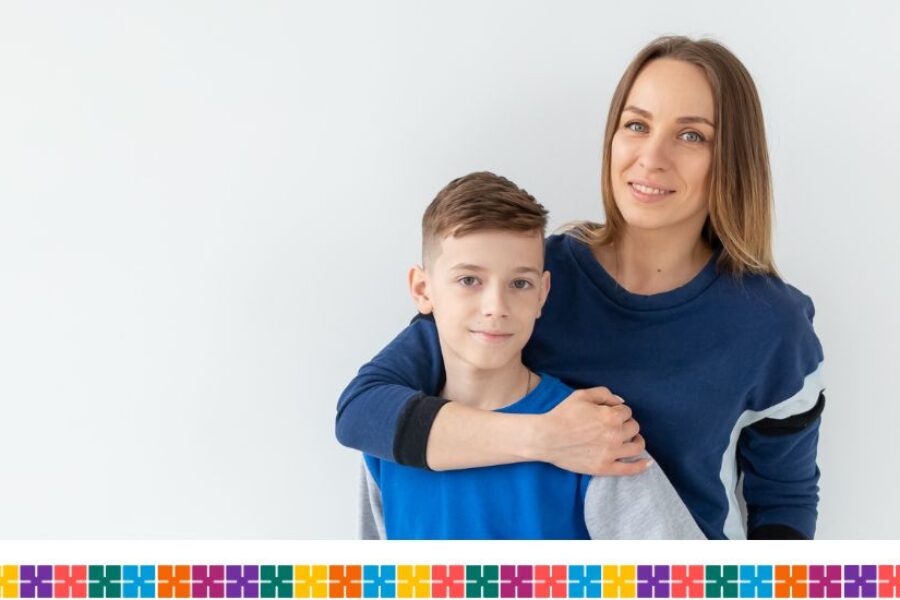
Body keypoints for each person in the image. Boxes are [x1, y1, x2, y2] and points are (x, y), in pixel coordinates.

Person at [337, 36, 825, 540]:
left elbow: (784, 500)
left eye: (692, 136)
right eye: (637, 125)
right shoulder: (523, 278)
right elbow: (363, 412)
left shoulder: (772, 324)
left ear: (732, 159)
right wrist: (547, 437)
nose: (651, 157)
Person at [360, 171, 704, 539]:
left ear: (542, 293)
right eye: (469, 280)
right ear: (423, 289)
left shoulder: (594, 437)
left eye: (519, 284)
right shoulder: (388, 443)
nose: (496, 306)